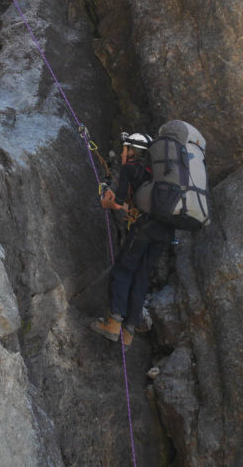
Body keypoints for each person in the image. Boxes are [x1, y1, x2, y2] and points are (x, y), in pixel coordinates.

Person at [91, 132, 174, 348]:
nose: (121, 153)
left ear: (132, 151)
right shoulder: (158, 173)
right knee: (141, 276)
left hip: (144, 228)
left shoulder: (130, 168)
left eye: (124, 148)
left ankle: (112, 322)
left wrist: (107, 201)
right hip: (164, 231)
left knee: (123, 269)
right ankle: (128, 332)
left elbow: (117, 203)